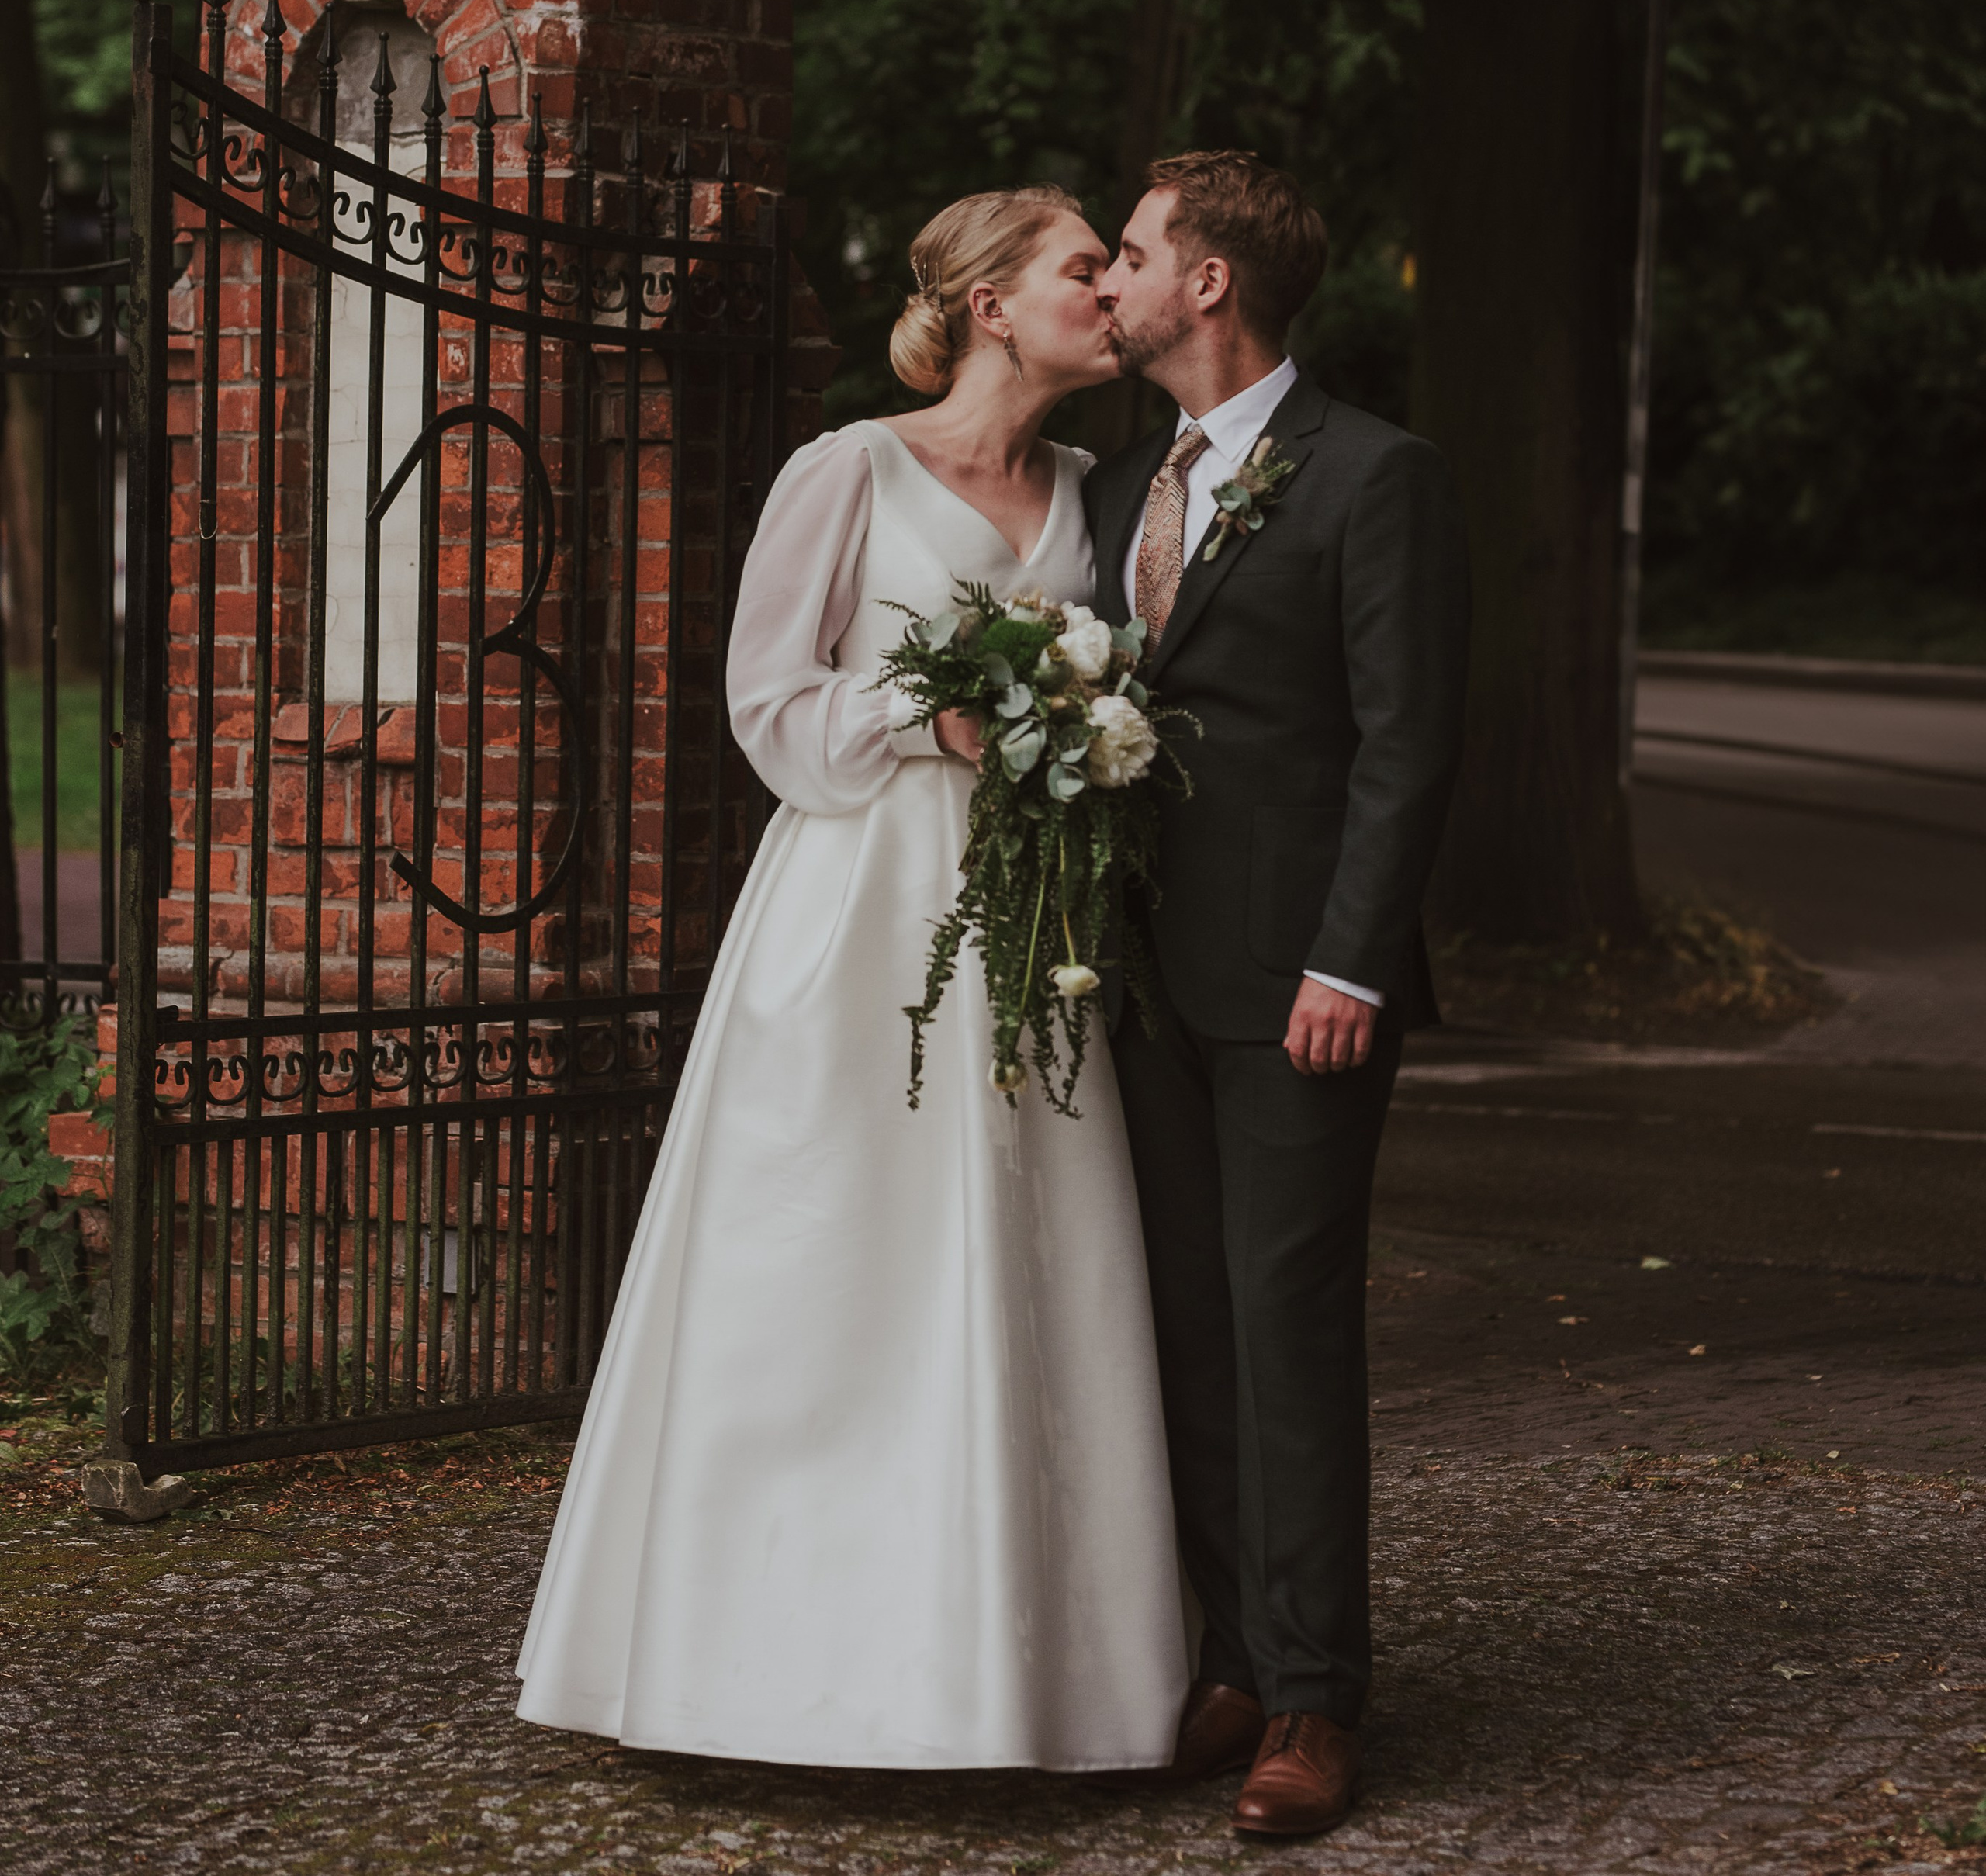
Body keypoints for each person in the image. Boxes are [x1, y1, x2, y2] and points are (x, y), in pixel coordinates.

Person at [516, 186, 1189, 1771]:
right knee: (830, 1255)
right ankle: (749, 1664)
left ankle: (1024, 1675)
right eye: (1080, 266)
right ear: (987, 302)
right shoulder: (847, 469)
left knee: (1025, 1256)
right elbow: (763, 699)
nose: (1109, 292)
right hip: (859, 909)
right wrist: (926, 723)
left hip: (1030, 925)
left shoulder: (1102, 486)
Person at [1088, 150, 1471, 1837]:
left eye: (1129, 251)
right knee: (1182, 1326)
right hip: (1138, 979)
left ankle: (1314, 1702)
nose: (1108, 278)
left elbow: (1405, 740)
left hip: (1294, 984)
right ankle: (1231, 1653)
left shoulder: (1371, 477)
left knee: (1287, 1330)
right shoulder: (1112, 487)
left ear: (1208, 283)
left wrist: (1348, 959)